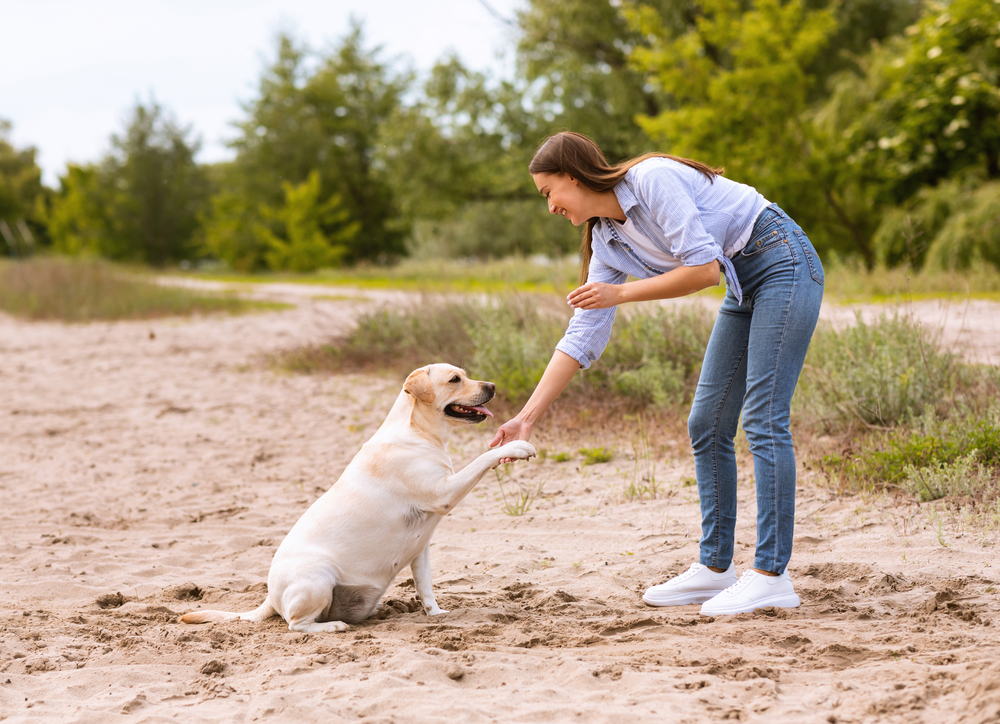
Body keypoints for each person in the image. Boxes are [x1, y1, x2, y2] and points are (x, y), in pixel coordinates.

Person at [489, 131, 824, 616]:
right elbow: (583, 335)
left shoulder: (652, 180)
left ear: (572, 175)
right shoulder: (608, 240)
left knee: (763, 418)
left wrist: (619, 295)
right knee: (706, 423)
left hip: (781, 261)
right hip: (742, 285)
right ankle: (715, 569)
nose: (551, 207)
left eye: (549, 193)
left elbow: (705, 269)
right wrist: (527, 417)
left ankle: (772, 576)